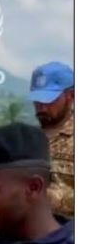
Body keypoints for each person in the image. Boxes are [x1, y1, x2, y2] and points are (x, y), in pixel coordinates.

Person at [31, 61, 73, 220]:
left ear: (71, 96)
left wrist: (49, 198)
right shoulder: (26, 141)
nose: (41, 107)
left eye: (48, 99)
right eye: (37, 99)